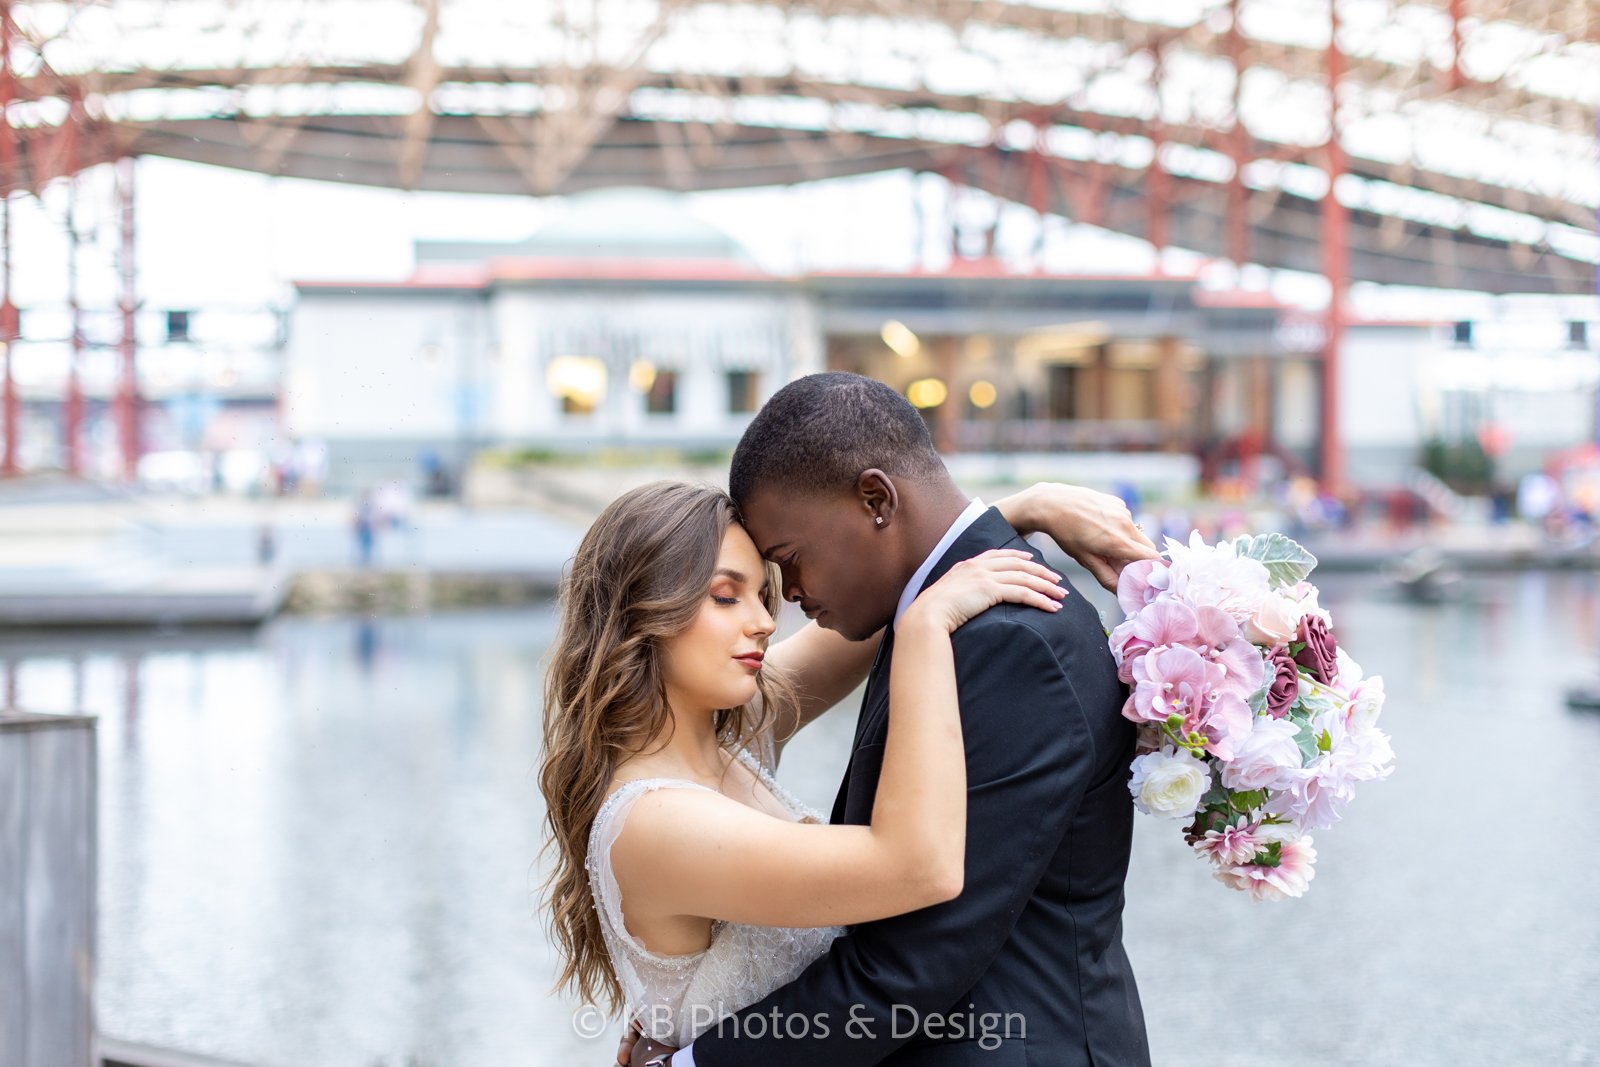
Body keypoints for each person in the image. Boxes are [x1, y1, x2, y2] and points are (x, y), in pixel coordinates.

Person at [554, 375, 1157, 1067]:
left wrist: (1023, 510)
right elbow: (917, 866)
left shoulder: (731, 725)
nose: (768, 617)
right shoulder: (656, 817)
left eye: (770, 585)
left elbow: (881, 587)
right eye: (728, 595)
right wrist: (929, 621)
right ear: (643, 618)